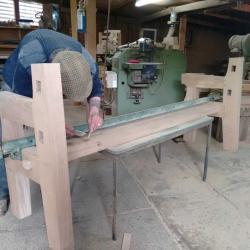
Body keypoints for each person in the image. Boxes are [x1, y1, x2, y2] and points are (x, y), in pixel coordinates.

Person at [0, 29, 103, 215]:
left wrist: (95, 109)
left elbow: (96, 86)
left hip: (48, 67)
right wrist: (49, 123)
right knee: (7, 139)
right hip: (15, 82)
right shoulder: (30, 58)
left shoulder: (86, 60)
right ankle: (2, 192)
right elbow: (24, 102)